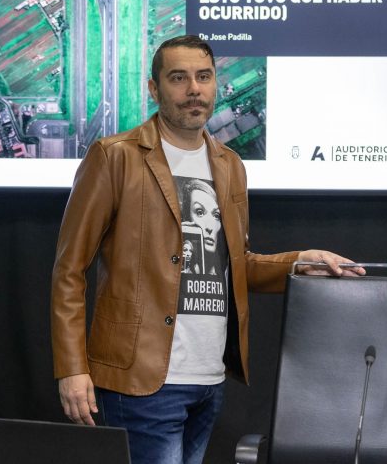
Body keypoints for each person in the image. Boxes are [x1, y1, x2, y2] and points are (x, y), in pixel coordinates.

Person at [50, 34, 363, 464]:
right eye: (178, 78)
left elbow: (234, 264)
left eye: (203, 77)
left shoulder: (229, 165)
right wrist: (72, 367)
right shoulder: (114, 157)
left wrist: (299, 263)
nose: (193, 89)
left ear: (215, 84)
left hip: (209, 379)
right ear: (153, 88)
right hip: (140, 378)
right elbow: (69, 269)